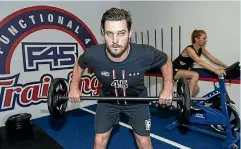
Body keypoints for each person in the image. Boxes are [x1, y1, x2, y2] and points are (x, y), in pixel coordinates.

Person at [68, 8, 173, 149]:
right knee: (99, 141)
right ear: (103, 34)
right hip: (108, 100)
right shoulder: (93, 54)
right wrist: (74, 86)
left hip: (137, 101)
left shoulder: (144, 53)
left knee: (143, 142)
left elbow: (166, 60)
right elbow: (79, 63)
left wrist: (168, 87)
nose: (115, 41)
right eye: (109, 34)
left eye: (121, 34)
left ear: (130, 33)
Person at [172, 29, 227, 97]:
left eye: (206, 38)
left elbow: (212, 58)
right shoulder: (189, 49)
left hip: (184, 71)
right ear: (196, 39)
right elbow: (199, 61)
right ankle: (188, 101)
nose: (206, 40)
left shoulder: (201, 49)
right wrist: (216, 70)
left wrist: (225, 66)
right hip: (174, 70)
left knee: (196, 89)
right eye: (204, 38)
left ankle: (186, 103)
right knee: (195, 75)